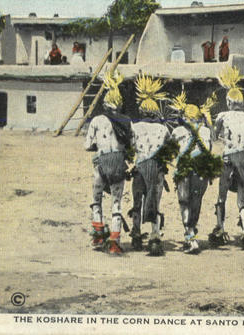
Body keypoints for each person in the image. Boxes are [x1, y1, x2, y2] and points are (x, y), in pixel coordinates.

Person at [84, 71, 132, 255]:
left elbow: (87, 145)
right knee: (116, 203)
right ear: (119, 103)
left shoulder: (96, 120)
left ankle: (97, 235)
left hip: (101, 162)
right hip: (119, 161)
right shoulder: (126, 120)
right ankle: (114, 241)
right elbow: (131, 144)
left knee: (96, 199)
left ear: (105, 102)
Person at [170, 91, 222, 254]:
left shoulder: (178, 131)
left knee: (184, 201)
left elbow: (172, 152)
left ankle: (189, 235)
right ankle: (192, 230)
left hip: (185, 167)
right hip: (202, 168)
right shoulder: (205, 131)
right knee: (196, 200)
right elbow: (211, 147)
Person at [129, 74, 173, 256]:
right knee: (155, 202)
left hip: (139, 168)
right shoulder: (163, 129)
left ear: (141, 111)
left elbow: (131, 147)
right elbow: (170, 151)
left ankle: (136, 234)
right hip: (157, 171)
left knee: (137, 202)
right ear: (155, 112)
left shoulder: (135, 127)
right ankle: (155, 237)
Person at [213, 66, 244, 249]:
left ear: (229, 102)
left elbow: (215, 137)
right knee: (241, 200)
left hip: (229, 157)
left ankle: (219, 229)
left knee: (221, 196)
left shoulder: (222, 116)